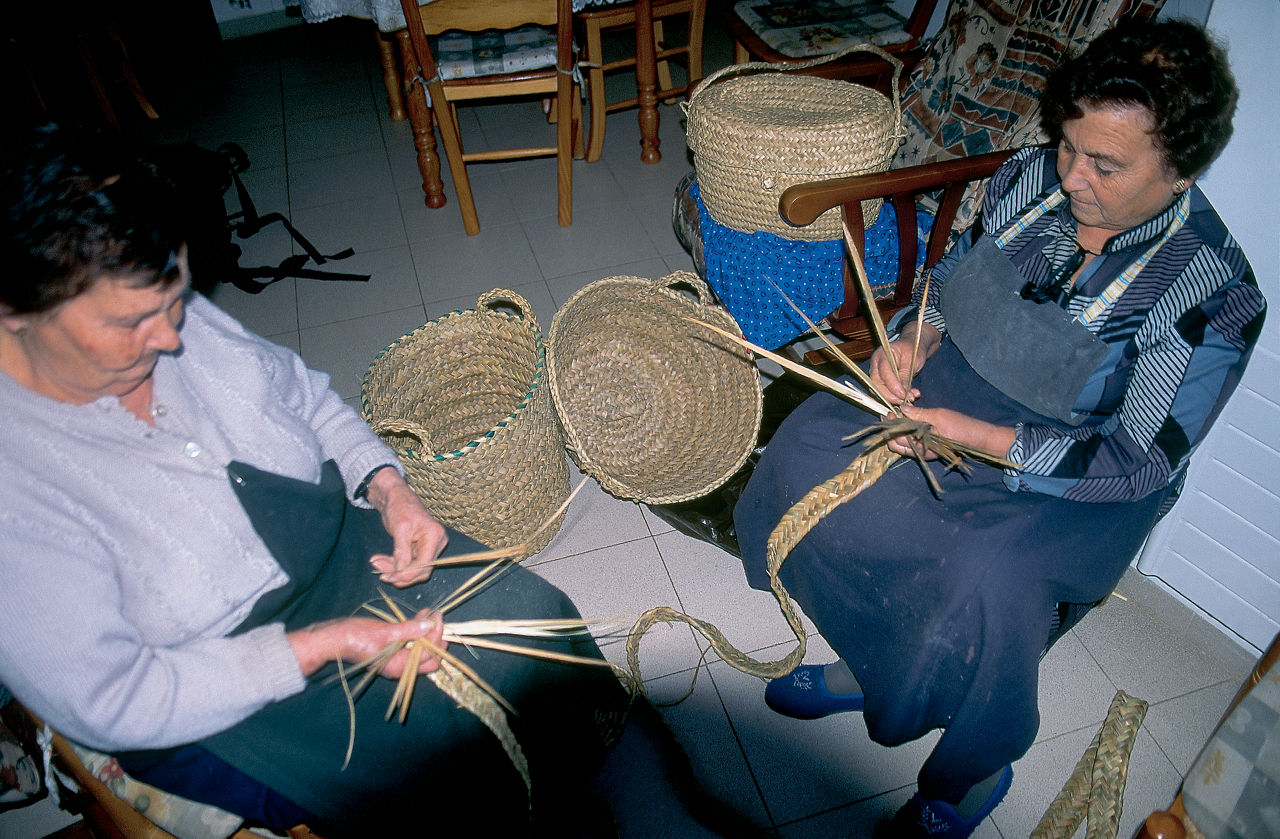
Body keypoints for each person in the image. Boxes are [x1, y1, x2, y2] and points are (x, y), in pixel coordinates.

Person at [0, 122, 626, 837]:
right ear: (15, 310)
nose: (173, 337)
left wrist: (390, 489)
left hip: (343, 557)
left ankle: (553, 795)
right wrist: (323, 644)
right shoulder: (13, 488)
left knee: (531, 615)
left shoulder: (159, 305)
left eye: (175, 299)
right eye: (135, 321)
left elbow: (306, 398)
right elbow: (114, 697)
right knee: (430, 761)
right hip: (215, 684)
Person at [733, 19, 1266, 839]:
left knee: (981, 577)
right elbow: (951, 283)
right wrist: (913, 337)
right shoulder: (1029, 176)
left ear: (1181, 165)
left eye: (1106, 164)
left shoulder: (1211, 291)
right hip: (963, 377)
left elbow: (1136, 460)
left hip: (1080, 461)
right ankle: (869, 663)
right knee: (808, 446)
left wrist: (980, 439)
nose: (1073, 177)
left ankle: (969, 771)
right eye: (1067, 146)